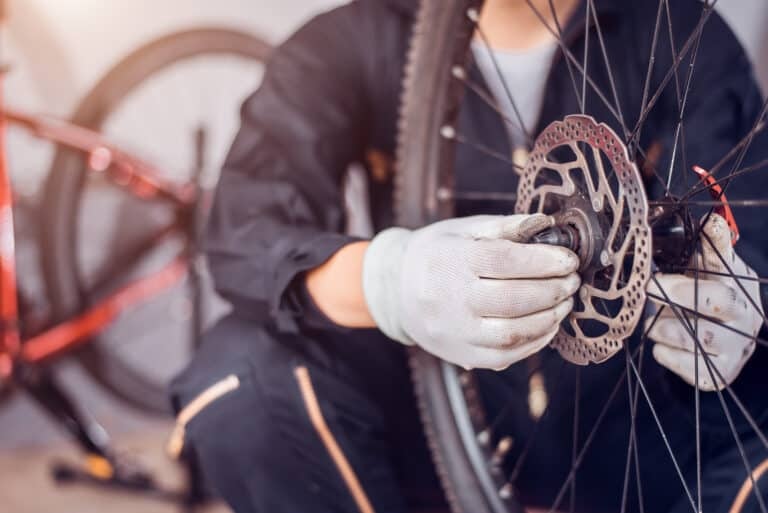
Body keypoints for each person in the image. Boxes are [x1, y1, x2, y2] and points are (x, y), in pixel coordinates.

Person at [169, 0, 768, 512]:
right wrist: (392, 281)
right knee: (237, 383)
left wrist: (737, 298)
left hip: (639, 423)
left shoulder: (682, 29)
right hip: (429, 413)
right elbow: (247, 229)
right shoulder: (350, 39)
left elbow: (749, 211)